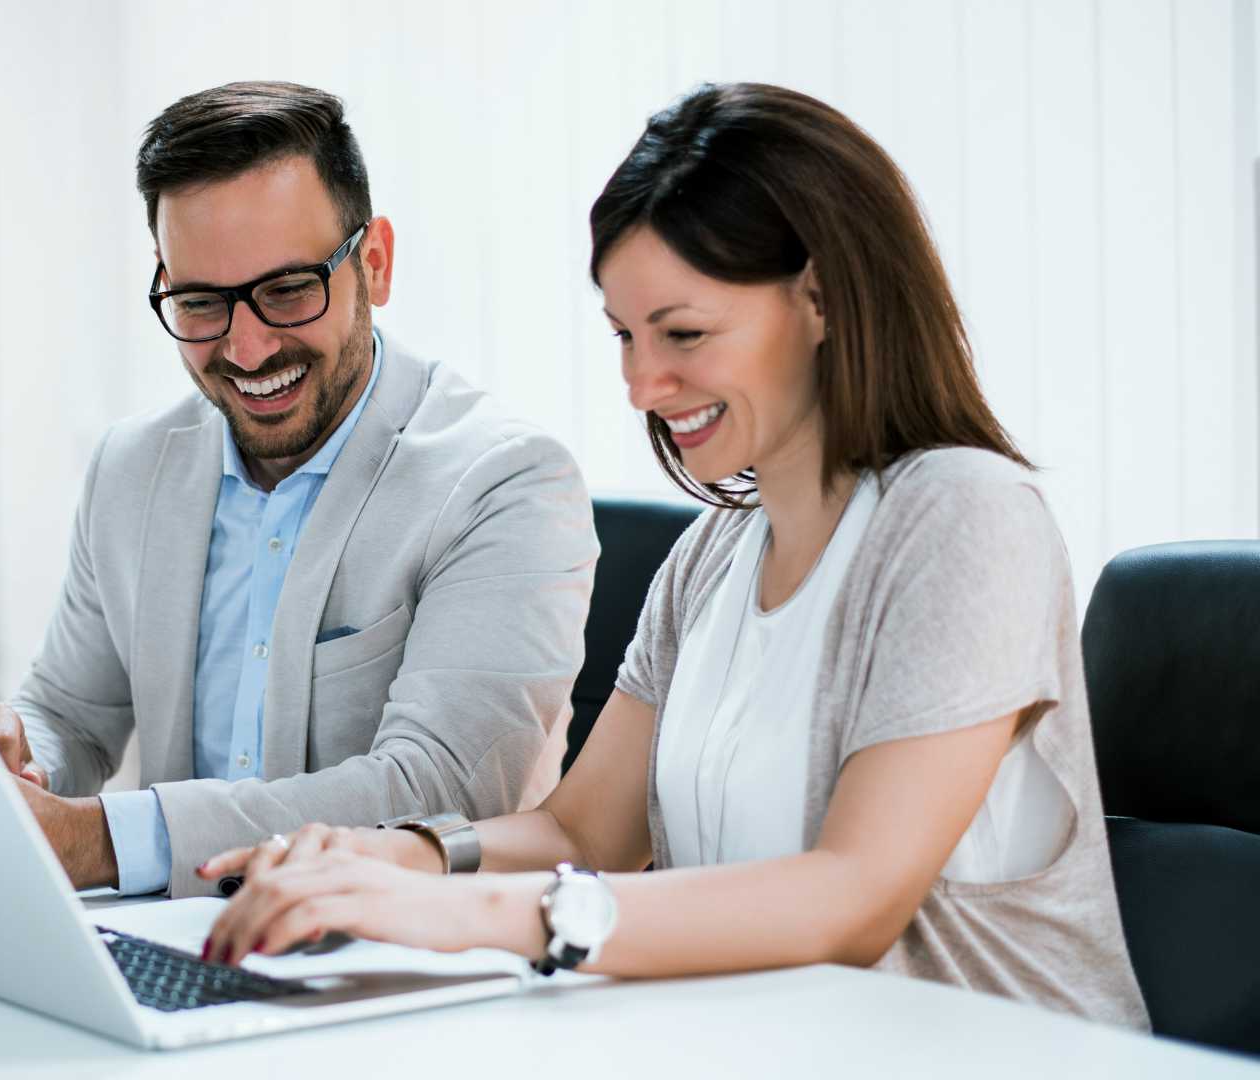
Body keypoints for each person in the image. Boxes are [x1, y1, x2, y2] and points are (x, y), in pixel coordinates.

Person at [197, 82, 1149, 1029]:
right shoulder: (714, 555)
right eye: (624, 335)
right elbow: (584, 831)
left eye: (684, 333)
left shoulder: (966, 519)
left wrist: (460, 913)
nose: (643, 384)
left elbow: (852, 900)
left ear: (821, 299)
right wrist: (400, 857)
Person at [0, 81, 596, 903]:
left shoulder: (506, 482)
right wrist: (13, 765)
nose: (249, 347)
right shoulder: (131, 467)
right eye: (200, 303)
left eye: (289, 290)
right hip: (178, 945)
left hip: (406, 969)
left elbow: (440, 795)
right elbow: (71, 710)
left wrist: (98, 843)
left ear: (374, 264)